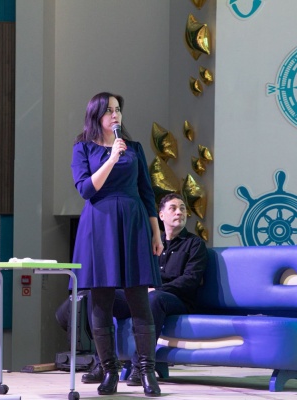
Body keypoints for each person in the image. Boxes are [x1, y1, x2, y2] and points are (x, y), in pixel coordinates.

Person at [57, 193, 208, 386]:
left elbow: (190, 280)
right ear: (161, 215)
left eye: (183, 209)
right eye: (173, 208)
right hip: (147, 297)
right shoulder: (152, 241)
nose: (179, 212)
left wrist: (155, 289)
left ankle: (140, 367)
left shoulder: (195, 244)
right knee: (97, 296)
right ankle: (103, 364)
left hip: (176, 299)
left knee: (154, 299)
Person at [70, 92, 163, 397]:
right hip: (99, 226)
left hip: (134, 224)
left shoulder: (134, 148)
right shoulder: (83, 147)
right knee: (101, 300)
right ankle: (109, 370)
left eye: (118, 110)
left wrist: (156, 233)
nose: (115, 115)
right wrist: (111, 159)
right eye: (109, 110)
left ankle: (146, 371)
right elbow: (86, 189)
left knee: (139, 299)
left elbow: (146, 192)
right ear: (96, 115)